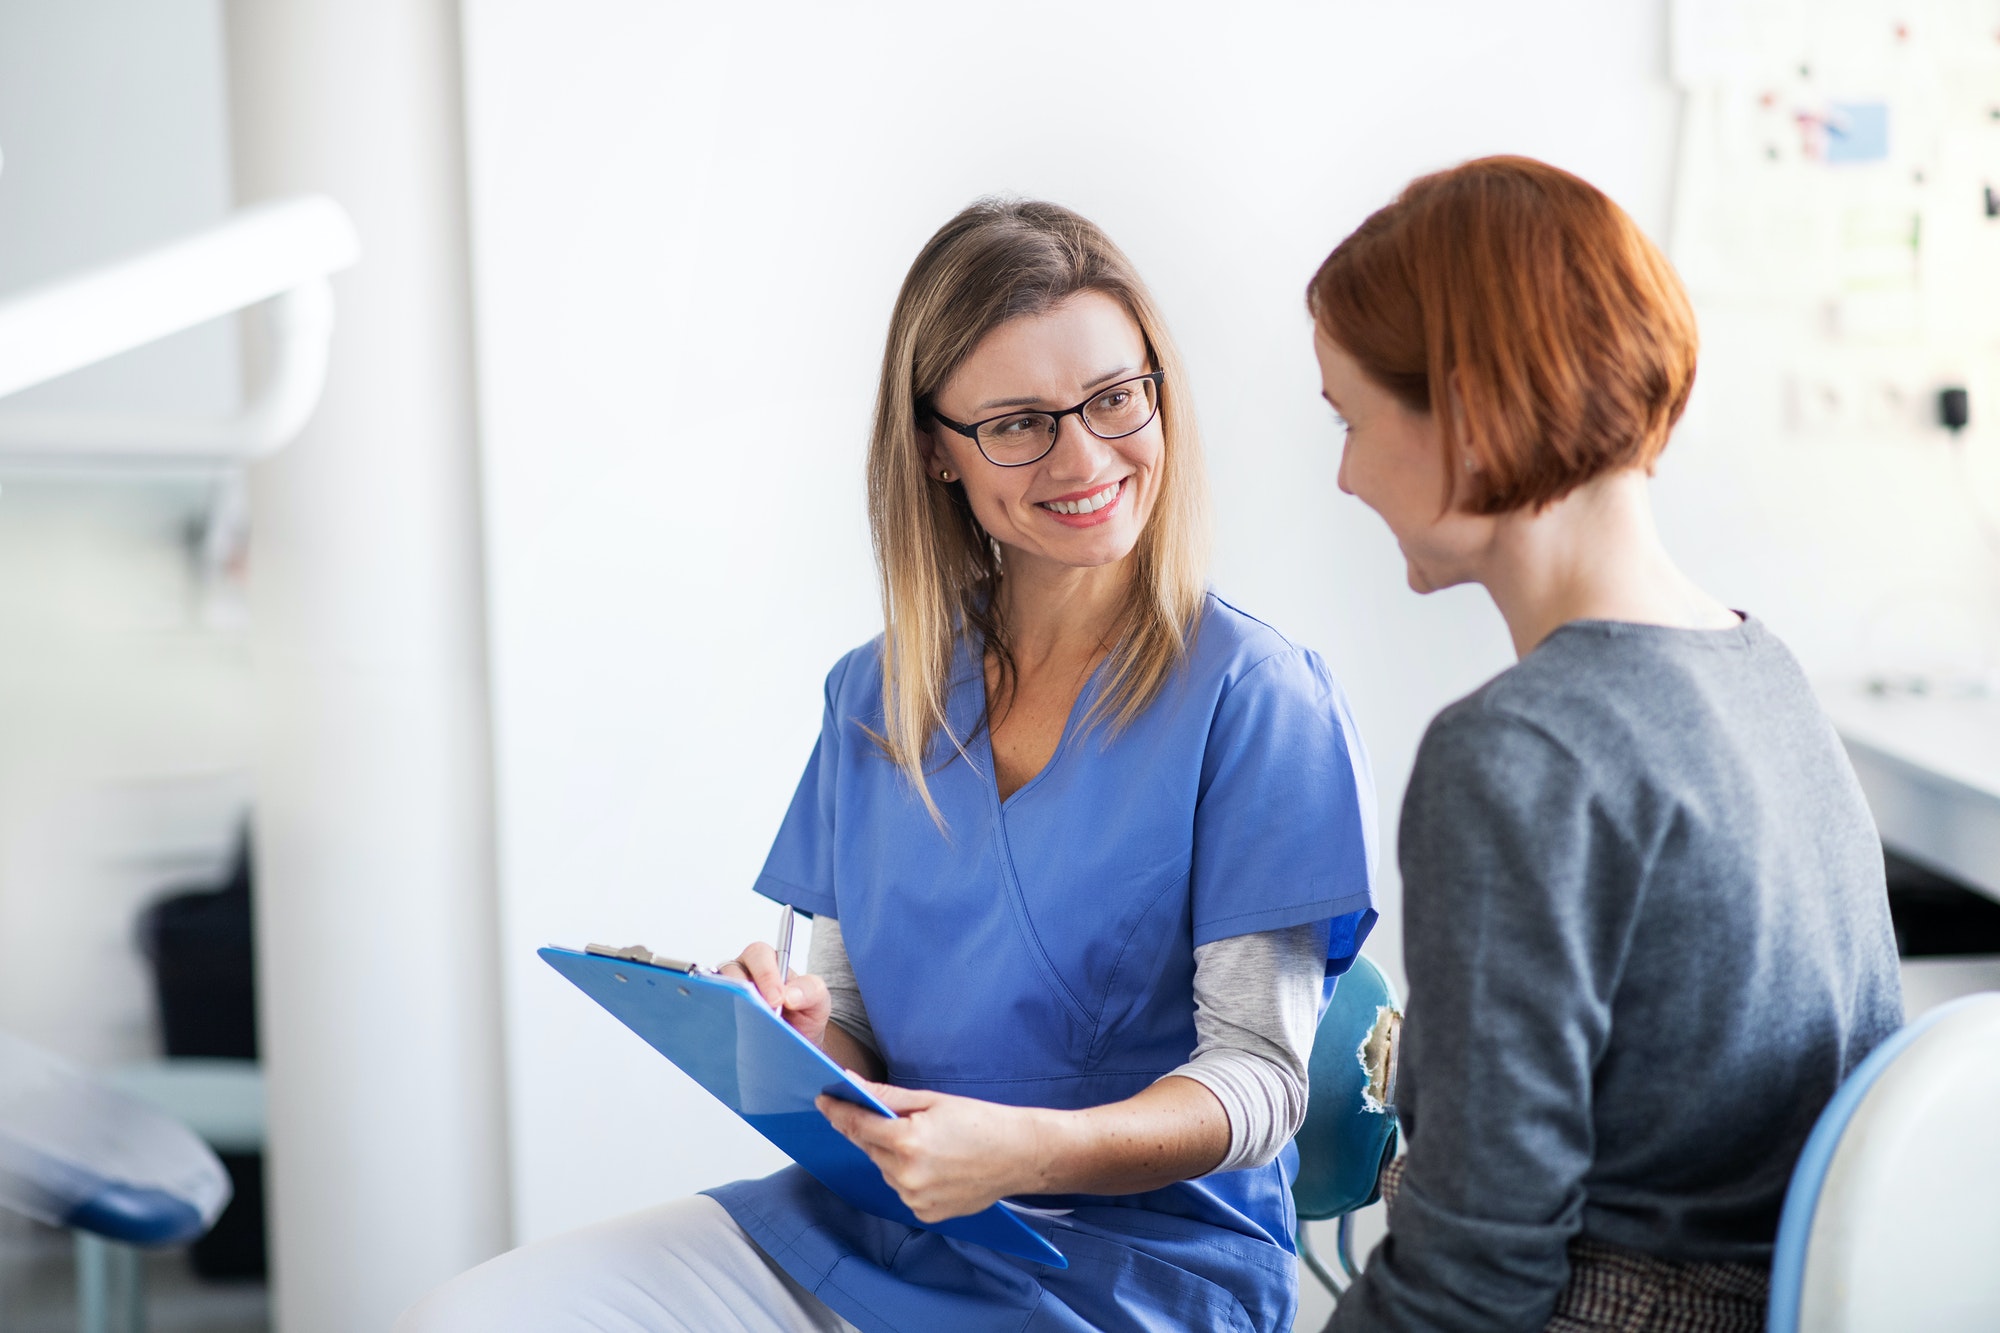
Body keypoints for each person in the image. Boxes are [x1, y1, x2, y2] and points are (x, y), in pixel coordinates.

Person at [397, 198, 1377, 1333]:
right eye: (1017, 423)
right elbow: (856, 1023)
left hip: (1128, 1271)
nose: (1084, 455)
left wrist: (1021, 1151)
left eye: (1114, 399)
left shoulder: (1255, 699)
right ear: (933, 452)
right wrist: (797, 1039)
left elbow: (1261, 1083)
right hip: (866, 1223)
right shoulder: (875, 695)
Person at [1306, 156, 1903, 1333]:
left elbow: (1471, 1280)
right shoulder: (1760, 674)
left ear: (1466, 414)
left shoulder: (1515, 757)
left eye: (1349, 417)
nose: (1341, 473)